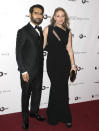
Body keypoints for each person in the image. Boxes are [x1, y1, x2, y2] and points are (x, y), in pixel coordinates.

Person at [43, 7, 77, 128]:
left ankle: (60, 115)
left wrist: (73, 65)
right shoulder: (48, 29)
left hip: (64, 63)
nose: (60, 18)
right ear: (54, 17)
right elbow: (41, 46)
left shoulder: (68, 31)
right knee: (57, 88)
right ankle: (57, 115)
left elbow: (70, 49)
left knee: (62, 89)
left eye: (62, 15)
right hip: (52, 63)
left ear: (65, 17)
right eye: (58, 15)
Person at [16, 4, 45, 130]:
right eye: (36, 13)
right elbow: (18, 53)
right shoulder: (23, 31)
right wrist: (23, 71)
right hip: (27, 71)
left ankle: (34, 112)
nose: (39, 16)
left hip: (39, 70)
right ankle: (25, 119)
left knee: (37, 93)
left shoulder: (40, 30)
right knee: (26, 95)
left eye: (41, 13)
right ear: (30, 14)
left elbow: (40, 49)